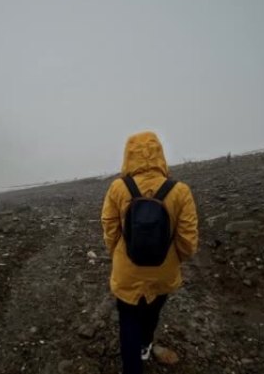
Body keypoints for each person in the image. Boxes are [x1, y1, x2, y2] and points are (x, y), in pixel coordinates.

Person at [101, 131, 199, 374]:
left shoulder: (118, 188)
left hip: (127, 271)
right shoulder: (180, 190)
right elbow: (188, 239)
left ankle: (132, 367)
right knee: (152, 311)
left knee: (128, 319)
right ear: (160, 155)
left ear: (128, 155)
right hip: (164, 271)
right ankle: (145, 345)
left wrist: (118, 254)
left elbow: (109, 227)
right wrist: (177, 259)